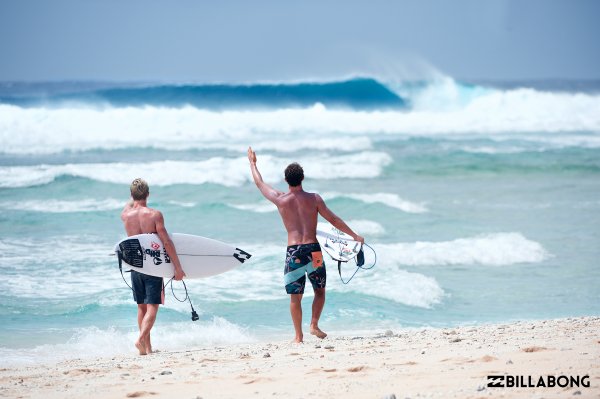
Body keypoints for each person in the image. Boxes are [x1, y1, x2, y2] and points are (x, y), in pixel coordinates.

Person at [247, 147, 364, 343]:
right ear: (302, 178)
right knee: (319, 291)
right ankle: (314, 324)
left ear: (286, 180)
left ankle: (298, 337)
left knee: (295, 297)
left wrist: (252, 163)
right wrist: (354, 236)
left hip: (294, 253)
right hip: (314, 251)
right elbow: (333, 219)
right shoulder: (314, 199)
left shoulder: (281, 200)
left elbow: (259, 183)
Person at [121, 178, 186, 355]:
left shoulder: (125, 215)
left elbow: (129, 205)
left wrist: (133, 197)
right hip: (153, 266)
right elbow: (166, 241)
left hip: (135, 265)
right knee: (153, 306)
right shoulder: (155, 215)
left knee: (141, 306)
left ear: (131, 195)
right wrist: (177, 267)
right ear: (148, 194)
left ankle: (147, 349)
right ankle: (141, 339)